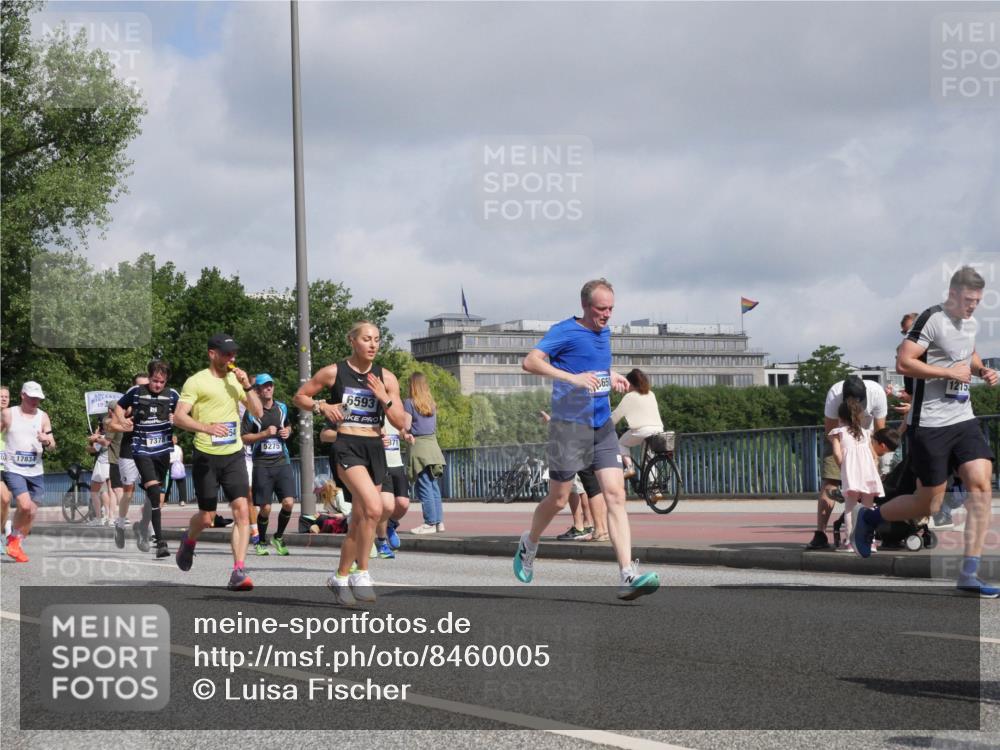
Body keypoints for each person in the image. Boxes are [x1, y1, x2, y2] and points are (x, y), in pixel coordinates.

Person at [853, 266, 1000, 597]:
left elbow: (968, 353)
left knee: (981, 485)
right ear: (952, 295)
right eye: (968, 300)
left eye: (978, 301)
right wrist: (946, 371)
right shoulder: (931, 320)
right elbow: (904, 363)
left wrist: (981, 369)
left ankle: (969, 573)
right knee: (928, 505)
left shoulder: (970, 322)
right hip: (929, 424)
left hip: (963, 418)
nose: (973, 306)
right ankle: (871, 519)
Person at [514, 278, 660, 600]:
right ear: (585, 306)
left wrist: (612, 376)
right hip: (568, 428)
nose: (607, 315)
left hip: (601, 426)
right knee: (557, 498)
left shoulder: (604, 332)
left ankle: (626, 574)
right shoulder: (565, 331)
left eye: (610, 309)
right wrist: (572, 378)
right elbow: (530, 361)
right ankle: (530, 542)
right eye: (600, 309)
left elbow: (596, 368)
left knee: (615, 495)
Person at [294, 321, 407, 606]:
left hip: (374, 447)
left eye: (377, 340)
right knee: (374, 506)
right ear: (352, 341)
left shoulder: (386, 378)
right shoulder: (334, 372)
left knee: (360, 521)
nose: (373, 344)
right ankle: (363, 572)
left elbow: (401, 422)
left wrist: (384, 399)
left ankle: (341, 576)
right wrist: (322, 406)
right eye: (367, 339)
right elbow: (300, 396)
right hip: (347, 446)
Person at [173, 333, 263, 591]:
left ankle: (238, 571)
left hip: (234, 454)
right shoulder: (196, 381)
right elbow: (179, 417)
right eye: (226, 354)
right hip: (206, 456)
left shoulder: (236, 381)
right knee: (206, 517)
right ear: (212, 354)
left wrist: (247, 386)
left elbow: (258, 412)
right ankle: (188, 542)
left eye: (234, 354)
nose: (232, 358)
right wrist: (206, 427)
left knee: (242, 511)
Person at [804, 374, 887, 550]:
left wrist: (875, 458)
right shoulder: (835, 394)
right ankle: (821, 533)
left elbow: (880, 431)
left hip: (866, 442)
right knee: (830, 482)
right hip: (843, 439)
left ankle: (854, 540)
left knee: (851, 503)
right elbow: (830, 430)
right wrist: (846, 462)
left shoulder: (877, 393)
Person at [115, 360, 180, 558]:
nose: (157, 385)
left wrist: (176, 418)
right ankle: (160, 542)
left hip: (162, 451)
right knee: (152, 489)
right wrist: (122, 420)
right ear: (149, 377)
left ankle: (142, 526)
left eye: (161, 382)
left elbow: (186, 414)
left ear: (166, 381)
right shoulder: (136, 392)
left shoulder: (173, 395)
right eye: (154, 380)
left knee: (156, 497)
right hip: (141, 448)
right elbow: (118, 406)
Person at [241, 373, 295, 556]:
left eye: (271, 385)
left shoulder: (282, 408)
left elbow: (288, 425)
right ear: (257, 390)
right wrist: (263, 434)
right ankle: (261, 540)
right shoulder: (251, 412)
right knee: (265, 508)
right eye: (265, 386)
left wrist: (288, 431)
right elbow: (244, 438)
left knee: (288, 503)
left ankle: (278, 537)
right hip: (262, 464)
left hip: (282, 461)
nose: (269, 388)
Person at [2, 381, 56, 563]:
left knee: (32, 513)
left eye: (38, 399)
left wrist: (46, 441)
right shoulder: (8, 414)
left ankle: (15, 541)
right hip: (13, 468)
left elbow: (52, 445)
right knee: (24, 506)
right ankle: (13, 541)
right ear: (23, 395)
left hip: (36, 470)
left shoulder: (43, 417)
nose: (35, 401)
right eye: (32, 398)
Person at [829, 400, 884, 552]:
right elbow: (874, 456)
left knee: (850, 507)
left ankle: (850, 542)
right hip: (868, 473)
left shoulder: (838, 433)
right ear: (860, 416)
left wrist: (842, 467)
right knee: (868, 507)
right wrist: (875, 470)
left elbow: (836, 453)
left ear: (840, 416)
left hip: (851, 473)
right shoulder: (866, 433)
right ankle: (870, 541)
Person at [107, 373, 149, 550]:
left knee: (153, 493)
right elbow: (111, 425)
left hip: (150, 450)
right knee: (128, 493)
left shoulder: (157, 402)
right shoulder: (126, 406)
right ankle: (120, 524)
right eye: (139, 386)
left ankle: (144, 528)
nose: (143, 389)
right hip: (129, 451)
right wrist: (125, 425)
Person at [405, 373, 447, 535]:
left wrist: (403, 430)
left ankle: (429, 522)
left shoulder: (409, 403)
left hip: (419, 446)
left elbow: (407, 425)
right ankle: (439, 522)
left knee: (423, 486)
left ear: (412, 385)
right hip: (433, 446)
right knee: (433, 486)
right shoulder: (431, 404)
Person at [611, 368, 664, 479]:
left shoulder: (629, 396)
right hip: (658, 430)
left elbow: (615, 416)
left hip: (642, 430)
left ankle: (629, 468)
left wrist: (605, 425)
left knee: (620, 444)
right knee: (649, 458)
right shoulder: (651, 394)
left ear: (631, 384)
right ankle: (655, 489)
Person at [378, 419, 412, 556]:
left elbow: (402, 430)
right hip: (381, 465)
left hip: (397, 464)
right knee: (386, 506)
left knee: (403, 503)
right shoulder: (375, 413)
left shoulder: (394, 414)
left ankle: (390, 524)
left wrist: (406, 435)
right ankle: (382, 543)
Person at [85, 421, 113, 526]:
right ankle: (108, 515)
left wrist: (87, 446)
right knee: (106, 491)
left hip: (102, 464)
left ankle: (98, 518)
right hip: (112, 463)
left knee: (94, 491)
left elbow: (94, 449)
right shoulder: (115, 433)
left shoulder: (102, 437)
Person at [1, 385, 10, 553]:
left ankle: (2, 531)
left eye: (6, 396)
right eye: (1, 396)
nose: (3, 398)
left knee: (6, 501)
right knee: (4, 498)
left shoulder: (14, 415)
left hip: (10, 464)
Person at [164, 436, 187, 506]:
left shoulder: (167, 447)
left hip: (173, 465)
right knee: (170, 484)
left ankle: (166, 501)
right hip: (175, 465)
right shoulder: (178, 448)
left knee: (169, 484)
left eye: (174, 439)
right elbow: (182, 457)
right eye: (172, 439)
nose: (173, 440)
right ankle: (182, 500)